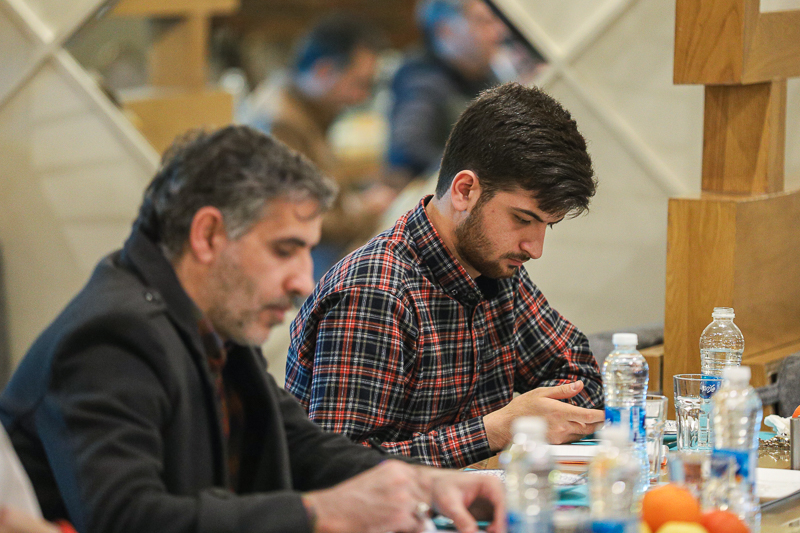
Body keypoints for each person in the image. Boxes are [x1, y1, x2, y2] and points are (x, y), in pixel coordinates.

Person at [0, 126, 504, 533]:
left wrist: (426, 486)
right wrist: (320, 513)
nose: (302, 281)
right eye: (284, 250)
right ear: (208, 235)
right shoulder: (112, 338)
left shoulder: (206, 320)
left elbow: (297, 442)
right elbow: (128, 520)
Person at [286, 83, 605, 468]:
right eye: (523, 219)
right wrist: (493, 431)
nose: (534, 248)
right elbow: (337, 469)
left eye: (546, 226)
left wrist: (534, 418)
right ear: (464, 190)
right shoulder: (374, 292)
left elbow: (581, 372)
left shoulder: (498, 272)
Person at [240, 14, 396, 279]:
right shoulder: (280, 123)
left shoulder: (302, 106)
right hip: (297, 273)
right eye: (359, 83)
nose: (363, 97)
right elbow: (299, 220)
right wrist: (367, 211)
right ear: (323, 71)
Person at [384, 0, 506, 188]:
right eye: (483, 22)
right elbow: (407, 148)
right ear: (445, 30)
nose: (498, 32)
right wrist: (482, 172)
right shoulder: (422, 77)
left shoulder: (483, 75)